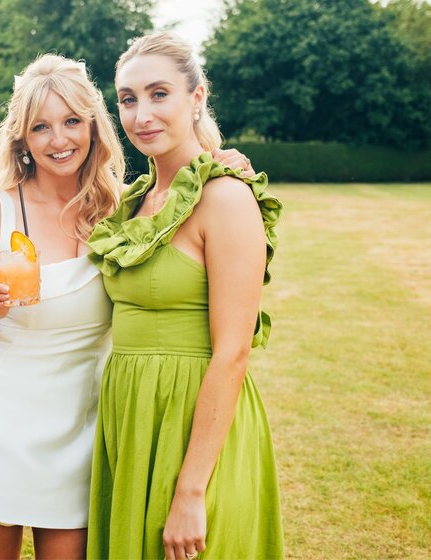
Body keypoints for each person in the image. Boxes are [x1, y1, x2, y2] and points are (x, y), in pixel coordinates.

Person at [0, 54, 257, 559]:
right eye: (41, 128)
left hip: (82, 433)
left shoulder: (122, 209)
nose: (60, 140)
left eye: (73, 121)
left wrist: (223, 164)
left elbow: (184, 199)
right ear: (23, 141)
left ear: (94, 126)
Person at [86, 33, 284, 560]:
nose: (141, 114)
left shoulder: (225, 198)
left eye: (158, 94)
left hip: (193, 422)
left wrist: (192, 489)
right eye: (128, 99)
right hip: (131, 417)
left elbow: (233, 351)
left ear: (196, 98)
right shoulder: (134, 204)